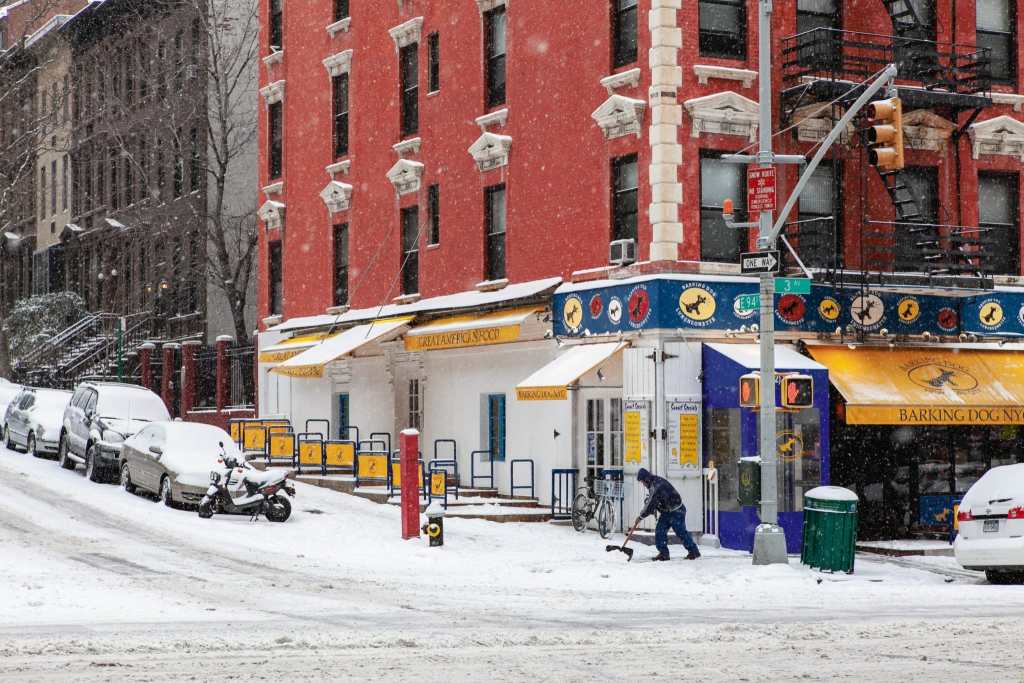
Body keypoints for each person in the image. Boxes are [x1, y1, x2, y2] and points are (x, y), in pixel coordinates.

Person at [637, 467, 700, 561]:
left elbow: (651, 503)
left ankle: (694, 552)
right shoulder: (654, 482)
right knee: (660, 531)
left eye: (642, 482)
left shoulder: (656, 485)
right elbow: (654, 500)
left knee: (681, 532)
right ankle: (664, 554)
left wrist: (641, 516)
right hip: (667, 511)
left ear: (646, 479)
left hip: (677, 510)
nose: (642, 484)